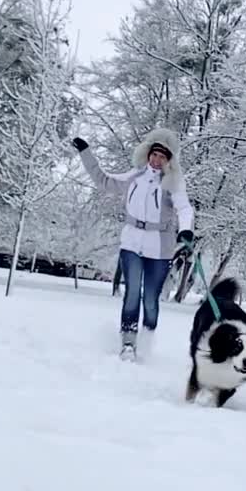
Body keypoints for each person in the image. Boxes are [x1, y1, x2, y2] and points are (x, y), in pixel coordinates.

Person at [72, 128, 194, 360]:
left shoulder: (173, 184)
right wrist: (86, 153)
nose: (157, 160)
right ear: (148, 154)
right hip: (131, 243)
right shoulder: (134, 178)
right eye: (154, 155)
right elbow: (104, 180)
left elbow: (185, 208)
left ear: (169, 160)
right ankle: (128, 340)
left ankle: (147, 339)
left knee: (150, 298)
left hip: (160, 248)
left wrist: (186, 231)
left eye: (162, 157)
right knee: (131, 292)